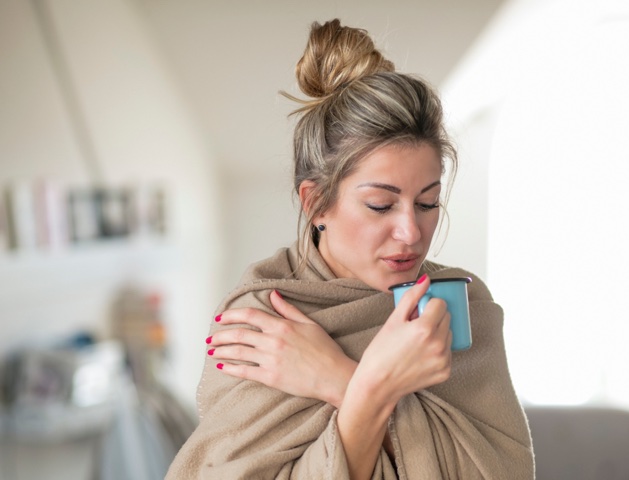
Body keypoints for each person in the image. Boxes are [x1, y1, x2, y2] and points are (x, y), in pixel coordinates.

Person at [166, 19, 534, 480]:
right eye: (381, 205)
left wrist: (342, 379)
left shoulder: (459, 305)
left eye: (427, 202)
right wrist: (372, 392)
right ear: (316, 202)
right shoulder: (263, 322)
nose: (411, 232)